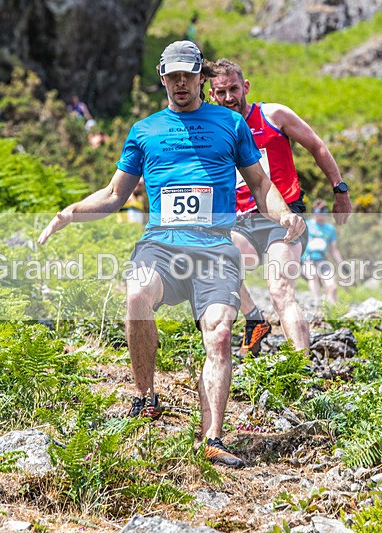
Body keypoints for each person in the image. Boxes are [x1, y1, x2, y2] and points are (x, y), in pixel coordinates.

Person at [38, 41, 304, 469]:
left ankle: (212, 438)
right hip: (161, 245)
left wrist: (286, 215)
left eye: (188, 75)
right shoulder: (144, 130)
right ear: (162, 78)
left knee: (218, 334)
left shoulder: (230, 124)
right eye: (173, 76)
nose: (181, 83)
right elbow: (114, 195)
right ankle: (145, 397)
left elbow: (259, 184)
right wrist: (69, 212)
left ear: (202, 77)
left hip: (216, 249)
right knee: (136, 295)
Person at [207, 58, 351, 355]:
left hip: (283, 219)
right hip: (242, 222)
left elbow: (317, 146)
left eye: (234, 89)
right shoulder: (212, 130)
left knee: (280, 290)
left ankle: (303, 368)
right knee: (214, 259)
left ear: (245, 86)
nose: (229, 98)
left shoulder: (273, 115)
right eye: (220, 93)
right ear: (211, 95)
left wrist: (340, 190)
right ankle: (254, 319)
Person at [302, 199, 343, 307]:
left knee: (332, 286)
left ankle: (333, 310)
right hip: (308, 259)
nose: (321, 214)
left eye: (323, 211)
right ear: (313, 212)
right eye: (318, 211)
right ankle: (317, 304)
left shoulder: (330, 229)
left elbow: (334, 249)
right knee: (313, 275)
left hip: (322, 260)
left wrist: (341, 263)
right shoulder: (306, 225)